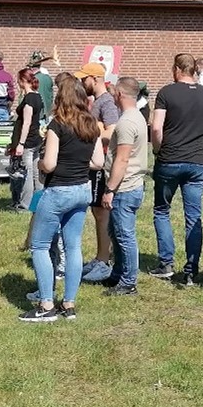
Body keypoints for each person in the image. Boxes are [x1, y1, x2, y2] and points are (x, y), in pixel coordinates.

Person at [21, 78, 105, 322]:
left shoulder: (57, 125)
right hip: (82, 190)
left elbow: (50, 164)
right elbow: (98, 162)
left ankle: (46, 304)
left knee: (39, 246)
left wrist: (38, 163)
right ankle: (69, 304)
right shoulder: (92, 125)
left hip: (58, 191)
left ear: (61, 99)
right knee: (73, 246)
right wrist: (79, 163)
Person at [149, 53, 203, 286]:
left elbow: (157, 128)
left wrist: (158, 150)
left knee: (162, 210)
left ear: (177, 69)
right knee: (193, 216)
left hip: (169, 159)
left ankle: (166, 263)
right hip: (196, 162)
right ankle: (191, 270)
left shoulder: (166, 93)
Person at [100, 75, 148, 297]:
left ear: (120, 94)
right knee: (115, 231)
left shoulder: (128, 122)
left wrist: (110, 189)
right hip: (130, 184)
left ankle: (129, 282)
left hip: (125, 187)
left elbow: (122, 159)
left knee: (124, 234)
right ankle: (118, 274)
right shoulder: (135, 116)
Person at [78, 62, 119, 284]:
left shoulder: (107, 102)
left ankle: (104, 260)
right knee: (96, 212)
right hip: (95, 163)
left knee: (102, 213)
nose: (82, 82)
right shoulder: (98, 102)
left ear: (94, 78)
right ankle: (100, 256)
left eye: (85, 78)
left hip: (102, 165)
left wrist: (92, 129)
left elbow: (113, 131)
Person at [9, 67, 44, 212]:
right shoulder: (38, 96)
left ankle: (25, 204)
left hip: (28, 141)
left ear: (23, 81)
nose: (18, 84)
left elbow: (27, 122)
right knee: (36, 172)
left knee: (27, 173)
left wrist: (21, 143)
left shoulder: (29, 98)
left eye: (19, 81)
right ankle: (39, 201)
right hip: (36, 139)